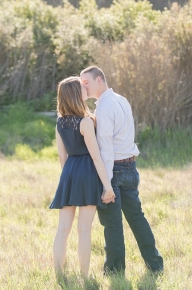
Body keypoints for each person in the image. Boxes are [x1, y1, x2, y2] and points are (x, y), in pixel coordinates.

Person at [79, 66, 164, 274]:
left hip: (114, 169)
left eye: (86, 82)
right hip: (130, 166)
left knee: (112, 223)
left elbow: (106, 149)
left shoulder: (105, 108)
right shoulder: (121, 100)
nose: (84, 87)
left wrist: (106, 184)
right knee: (136, 217)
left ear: (100, 80)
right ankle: (155, 265)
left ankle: (115, 271)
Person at [50, 76, 115, 277]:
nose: (85, 89)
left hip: (69, 173)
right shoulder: (86, 122)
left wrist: (68, 179)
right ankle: (84, 276)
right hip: (87, 172)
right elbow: (96, 157)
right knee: (84, 229)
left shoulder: (60, 123)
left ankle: (59, 274)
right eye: (82, 87)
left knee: (63, 229)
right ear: (75, 95)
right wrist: (108, 186)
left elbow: (62, 157)